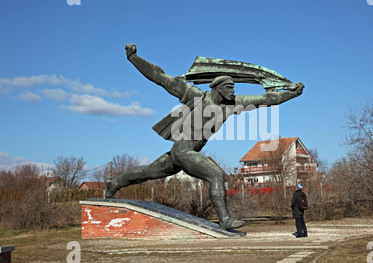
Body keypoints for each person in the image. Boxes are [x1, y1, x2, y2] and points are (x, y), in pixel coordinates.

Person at [105, 44, 305, 230]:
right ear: (218, 88)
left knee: (147, 172)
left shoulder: (232, 104)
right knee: (216, 175)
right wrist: (134, 58)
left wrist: (292, 94)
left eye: (234, 88)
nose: (233, 91)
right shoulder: (196, 96)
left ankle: (113, 184)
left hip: (185, 153)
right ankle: (224, 219)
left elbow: (267, 99)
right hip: (183, 149)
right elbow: (160, 77)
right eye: (229, 87)